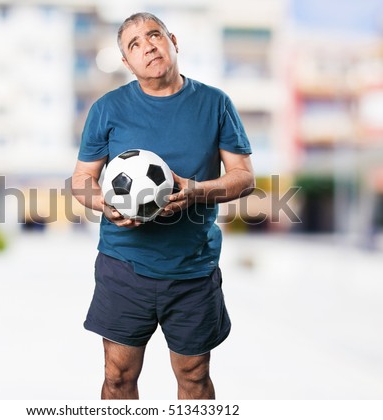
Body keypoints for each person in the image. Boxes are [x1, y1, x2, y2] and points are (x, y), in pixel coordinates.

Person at [71, 12, 255, 400]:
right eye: (134, 45)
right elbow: (81, 180)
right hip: (124, 264)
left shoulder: (215, 103)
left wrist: (195, 190)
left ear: (172, 40)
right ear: (126, 62)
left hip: (192, 267)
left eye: (154, 35)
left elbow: (243, 176)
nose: (147, 46)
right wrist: (104, 205)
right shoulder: (107, 108)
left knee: (193, 375)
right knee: (118, 375)